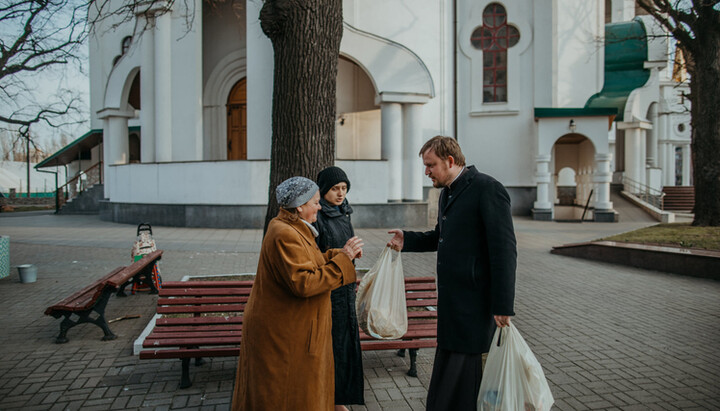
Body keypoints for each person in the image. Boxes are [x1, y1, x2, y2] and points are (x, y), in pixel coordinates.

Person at [387, 136, 517, 411]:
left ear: (450, 161)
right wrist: (406, 239)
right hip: (452, 307)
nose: (426, 172)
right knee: (452, 380)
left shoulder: (488, 189)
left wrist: (503, 305)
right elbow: (440, 237)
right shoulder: (447, 191)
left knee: (464, 378)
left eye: (430, 165)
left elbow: (504, 251)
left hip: (474, 307)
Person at [232, 176, 364, 410]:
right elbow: (304, 282)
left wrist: (338, 254)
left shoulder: (293, 227)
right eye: (315, 202)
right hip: (283, 332)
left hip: (291, 328)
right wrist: (344, 261)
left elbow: (310, 262)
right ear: (300, 206)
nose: (320, 206)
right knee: (281, 392)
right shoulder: (285, 233)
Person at [313, 166, 364, 410]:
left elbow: (344, 249)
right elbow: (315, 257)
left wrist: (353, 255)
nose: (340, 193)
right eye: (335, 189)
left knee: (345, 344)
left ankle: (340, 398)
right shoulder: (317, 217)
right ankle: (332, 399)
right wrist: (342, 257)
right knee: (332, 346)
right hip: (328, 291)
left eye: (344, 188)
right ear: (323, 191)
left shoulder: (344, 213)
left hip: (345, 288)